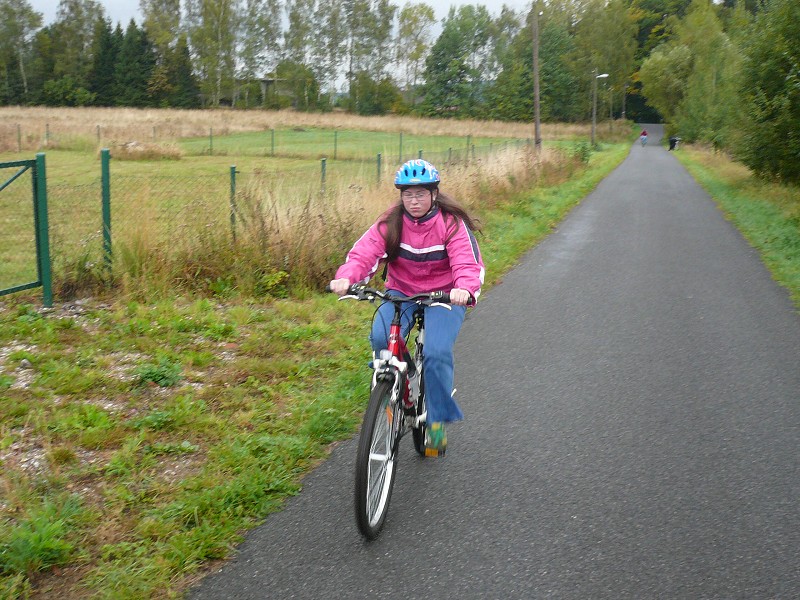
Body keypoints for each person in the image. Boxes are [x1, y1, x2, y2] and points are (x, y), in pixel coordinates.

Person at [329, 159, 484, 457]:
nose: (414, 201)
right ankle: (400, 386)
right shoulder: (391, 222)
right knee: (380, 338)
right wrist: (347, 277)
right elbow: (364, 254)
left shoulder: (451, 223)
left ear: (434, 194)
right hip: (401, 290)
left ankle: (436, 420)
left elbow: (467, 263)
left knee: (436, 353)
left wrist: (464, 289)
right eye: (408, 194)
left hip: (445, 295)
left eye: (421, 194)